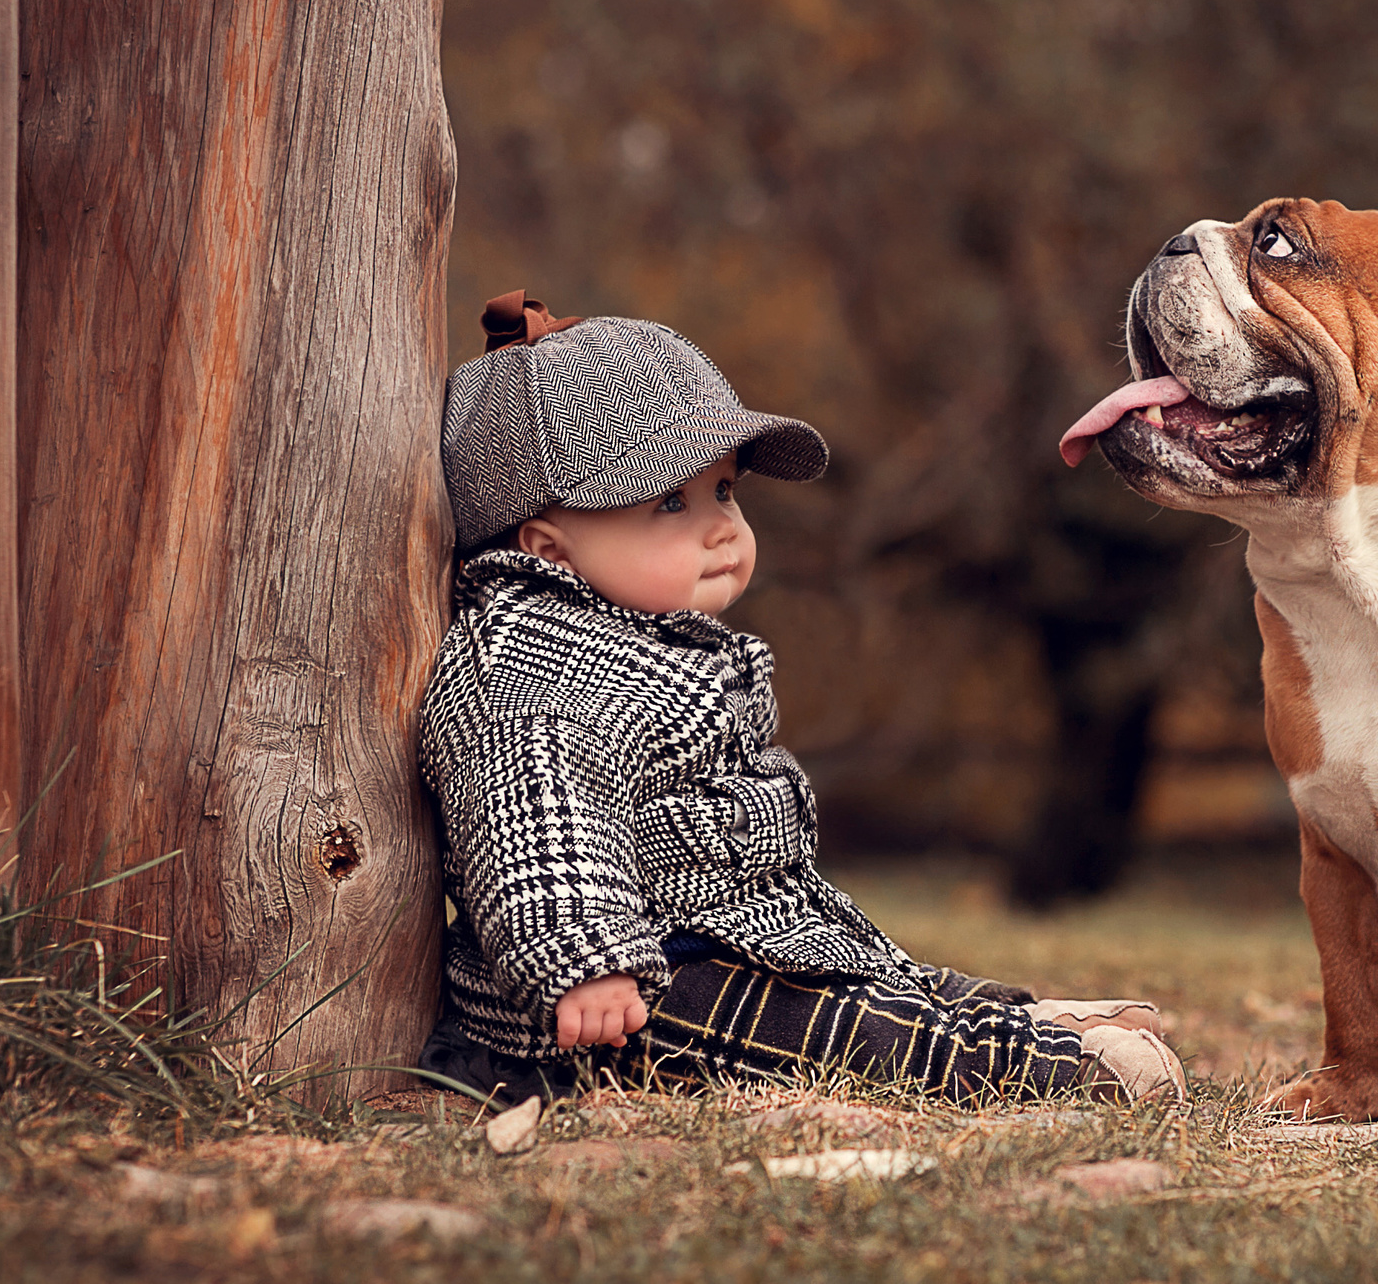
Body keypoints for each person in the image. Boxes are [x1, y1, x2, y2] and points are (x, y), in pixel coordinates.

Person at [415, 291, 1183, 1106]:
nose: (722, 528)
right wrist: (588, 963)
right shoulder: (529, 675)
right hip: (622, 1004)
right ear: (548, 549)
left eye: (724, 492)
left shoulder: (633, 637)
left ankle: (1013, 1017)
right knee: (825, 1028)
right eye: (670, 502)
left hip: (718, 938)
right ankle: (1033, 1066)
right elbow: (534, 822)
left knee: (852, 964)